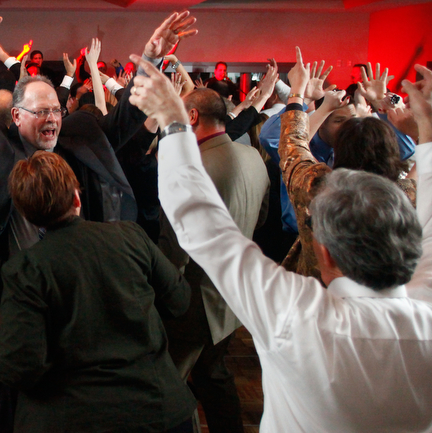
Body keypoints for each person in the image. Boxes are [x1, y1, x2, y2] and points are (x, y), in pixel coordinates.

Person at [0, 0, 197, 432]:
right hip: (9, 289)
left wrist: (151, 59)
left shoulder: (82, 132)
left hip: (76, 285)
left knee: (68, 377)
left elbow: (128, 116)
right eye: (41, 111)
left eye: (56, 109)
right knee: (11, 392)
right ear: (16, 116)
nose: (53, 119)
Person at [129, 55, 432, 432]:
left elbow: (203, 225)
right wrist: (426, 130)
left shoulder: (295, 314)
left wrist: (173, 121)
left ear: (325, 252)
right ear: (410, 243)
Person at [0, 151, 196, 432]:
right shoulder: (130, 236)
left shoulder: (26, 269)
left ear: (27, 214)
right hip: (161, 408)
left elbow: (20, 367)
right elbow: (179, 300)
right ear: (76, 198)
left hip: (79, 417)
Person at [159, 87, 269, 433]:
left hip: (195, 302)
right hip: (235, 296)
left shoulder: (190, 171)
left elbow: (174, 255)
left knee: (168, 384)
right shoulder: (253, 157)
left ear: (192, 117)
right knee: (213, 375)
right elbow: (262, 219)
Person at [279, 48, 416, 279]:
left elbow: (292, 143)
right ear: (392, 155)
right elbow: (422, 157)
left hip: (315, 291)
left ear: (340, 149)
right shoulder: (403, 196)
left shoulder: (316, 186)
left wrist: (297, 92)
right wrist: (386, 104)